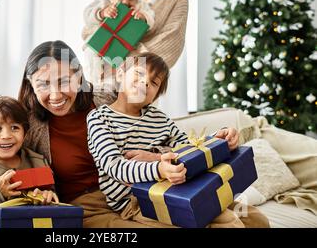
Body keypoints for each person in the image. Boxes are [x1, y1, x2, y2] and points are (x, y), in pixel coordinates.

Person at [0, 40, 268, 228]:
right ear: (31, 86)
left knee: (255, 221)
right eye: (43, 84)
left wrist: (210, 144)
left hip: (146, 187)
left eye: (65, 80)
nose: (56, 94)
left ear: (79, 77)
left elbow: (162, 129)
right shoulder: (25, 123)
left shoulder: (110, 100)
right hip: (94, 207)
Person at [86, 53, 269, 227]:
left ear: (156, 96)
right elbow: (114, 166)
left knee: (255, 218)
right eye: (139, 73)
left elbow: (188, 148)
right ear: (120, 74)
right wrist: (159, 169)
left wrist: (217, 139)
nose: (144, 82)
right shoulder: (99, 119)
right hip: (137, 199)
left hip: (182, 187)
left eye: (154, 82)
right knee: (227, 220)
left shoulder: (159, 118)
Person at [0, 96, 58, 216]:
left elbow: (53, 195)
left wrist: (47, 195)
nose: (6, 136)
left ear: (25, 134)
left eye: (14, 128)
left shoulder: (38, 161)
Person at [81, 0, 155, 86]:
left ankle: (121, 88)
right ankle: (93, 85)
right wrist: (102, 13)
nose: (125, 1)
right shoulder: (103, 3)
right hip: (99, 43)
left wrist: (143, 17)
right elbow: (87, 15)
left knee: (137, 60)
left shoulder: (140, 7)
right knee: (90, 53)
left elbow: (151, 19)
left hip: (125, 47)